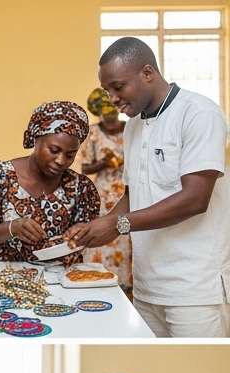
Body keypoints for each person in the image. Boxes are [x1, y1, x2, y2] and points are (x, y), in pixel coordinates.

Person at [66, 37, 229, 337]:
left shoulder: (198, 113)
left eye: (118, 87)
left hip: (194, 289)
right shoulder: (134, 125)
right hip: (148, 286)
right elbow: (134, 194)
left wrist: (118, 224)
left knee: (191, 362)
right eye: (107, 90)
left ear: (147, 73)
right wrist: (101, 225)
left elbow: (195, 199)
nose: (112, 99)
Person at [0, 101, 101, 267]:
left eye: (70, 155)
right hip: (1, 278)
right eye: (54, 150)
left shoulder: (81, 188)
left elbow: (90, 234)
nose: (61, 161)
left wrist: (82, 234)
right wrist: (11, 228)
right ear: (36, 138)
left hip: (60, 279)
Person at [77, 87, 132, 292]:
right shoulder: (93, 133)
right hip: (104, 194)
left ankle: (127, 283)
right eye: (105, 116)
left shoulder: (131, 128)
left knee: (127, 233)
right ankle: (99, 279)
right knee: (105, 230)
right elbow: (84, 167)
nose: (110, 120)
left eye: (112, 115)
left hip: (129, 190)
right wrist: (103, 163)